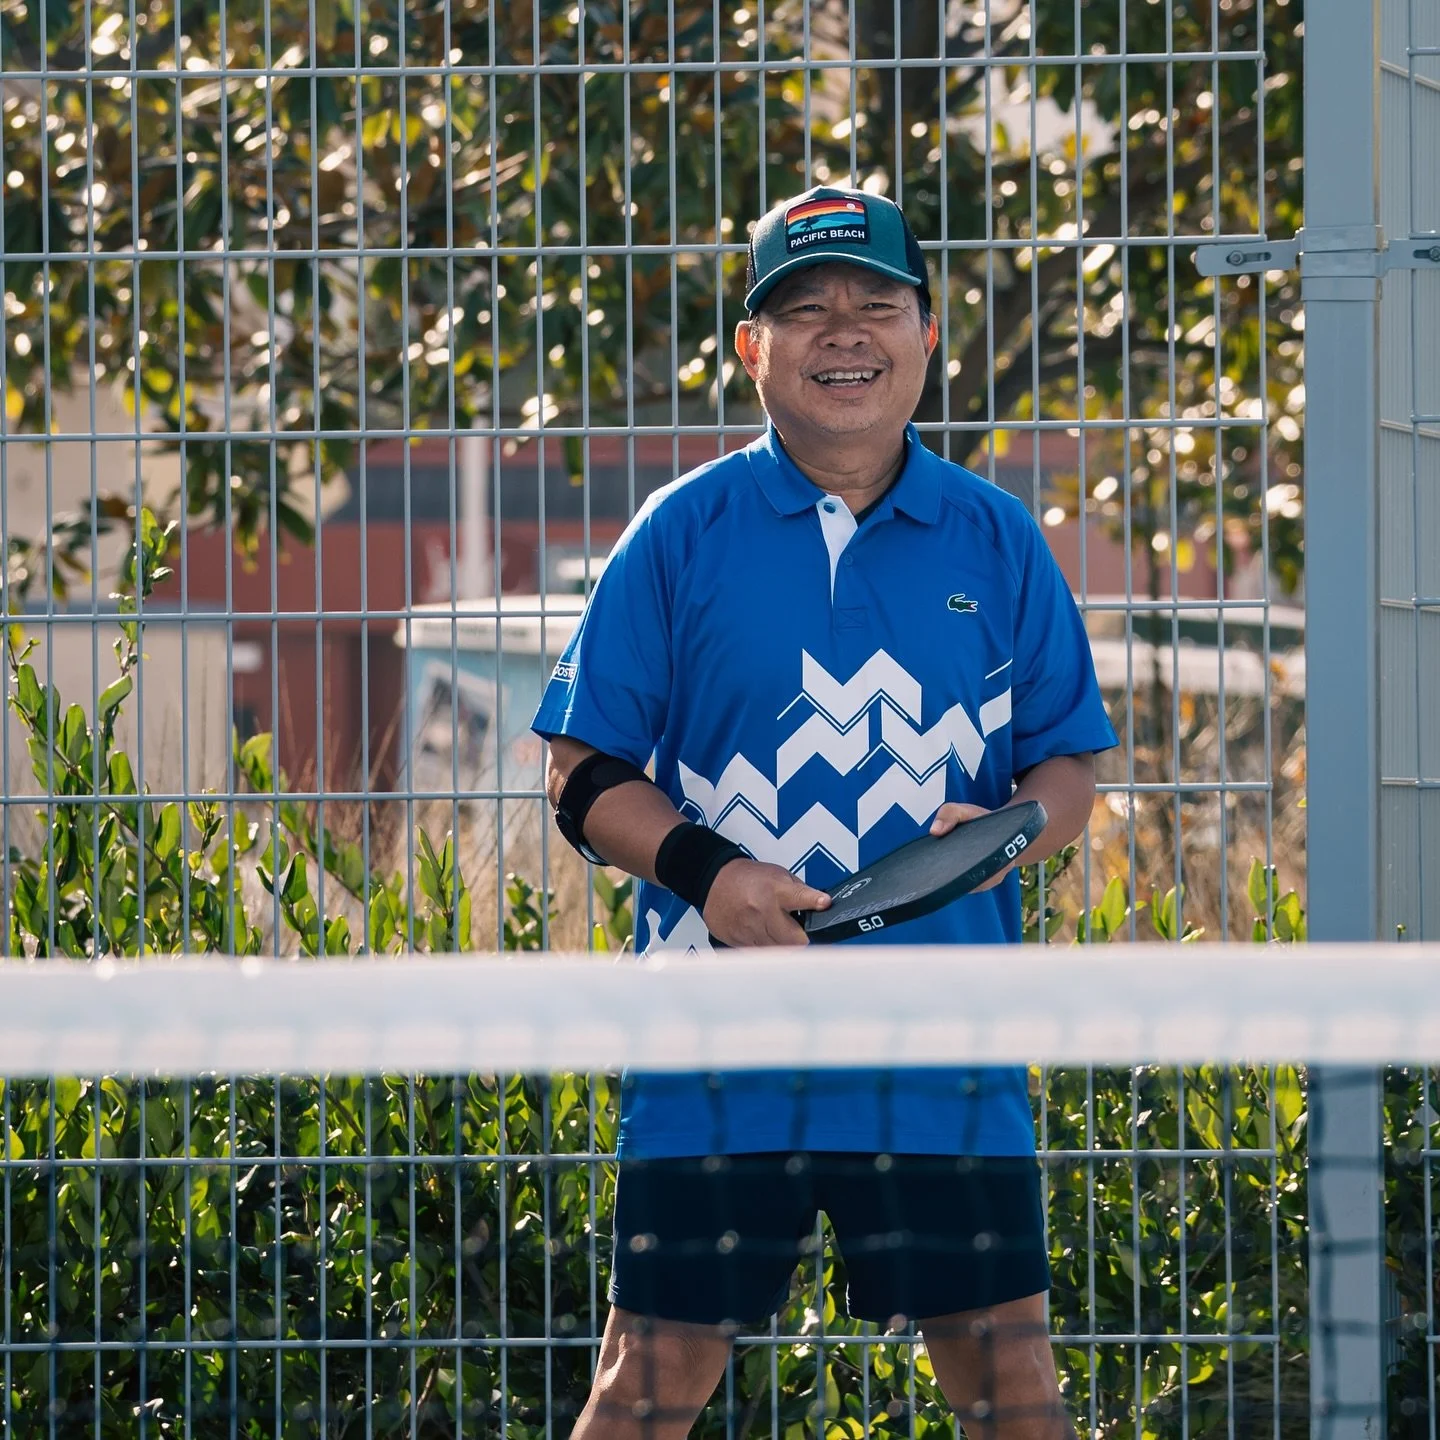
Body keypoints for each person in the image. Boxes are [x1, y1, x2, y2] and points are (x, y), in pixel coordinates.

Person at [531, 184, 1118, 1440]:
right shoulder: (677, 535)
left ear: (927, 329)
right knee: (646, 1388)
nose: (843, 331)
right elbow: (577, 769)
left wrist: (1011, 831)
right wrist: (707, 875)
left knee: (1015, 1395)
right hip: (716, 1057)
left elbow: (1070, 769)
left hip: (944, 1059)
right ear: (753, 348)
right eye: (803, 310)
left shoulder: (999, 540)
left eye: (874, 303)